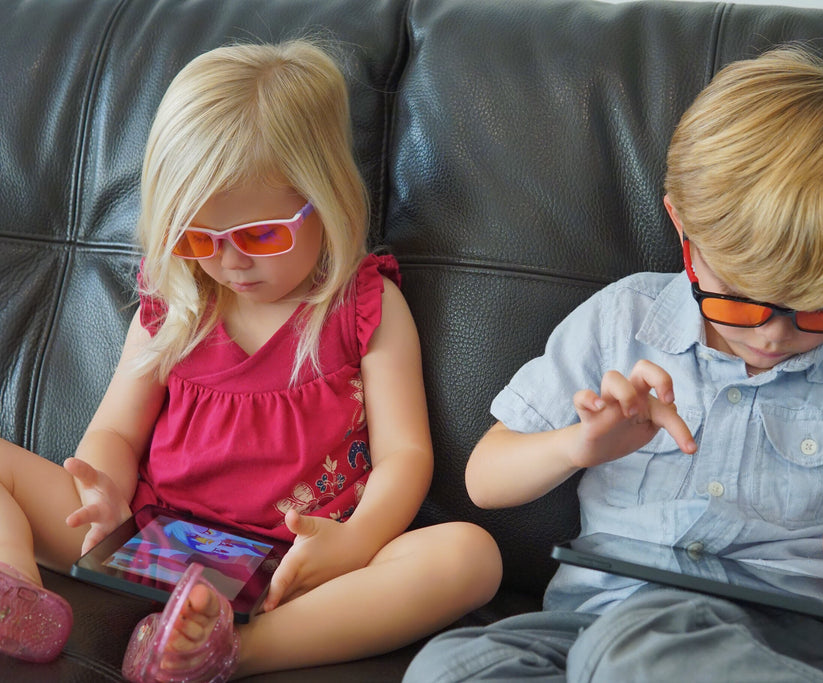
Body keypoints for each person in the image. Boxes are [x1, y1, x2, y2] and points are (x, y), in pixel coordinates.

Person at [403, 46, 823, 682]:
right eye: (742, 301)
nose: (776, 337)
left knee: (638, 655)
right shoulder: (623, 319)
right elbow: (486, 479)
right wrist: (579, 445)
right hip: (596, 620)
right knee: (450, 667)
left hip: (782, 634)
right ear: (683, 229)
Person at [0, 40, 501, 681]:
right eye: (196, 237)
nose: (229, 262)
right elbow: (116, 431)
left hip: (297, 561)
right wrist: (104, 490)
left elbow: (406, 454)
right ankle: (17, 595)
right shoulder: (174, 302)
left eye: (261, 235)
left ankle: (230, 653)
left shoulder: (365, 306)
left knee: (470, 556)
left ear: (327, 201)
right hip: (153, 537)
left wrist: (357, 540)